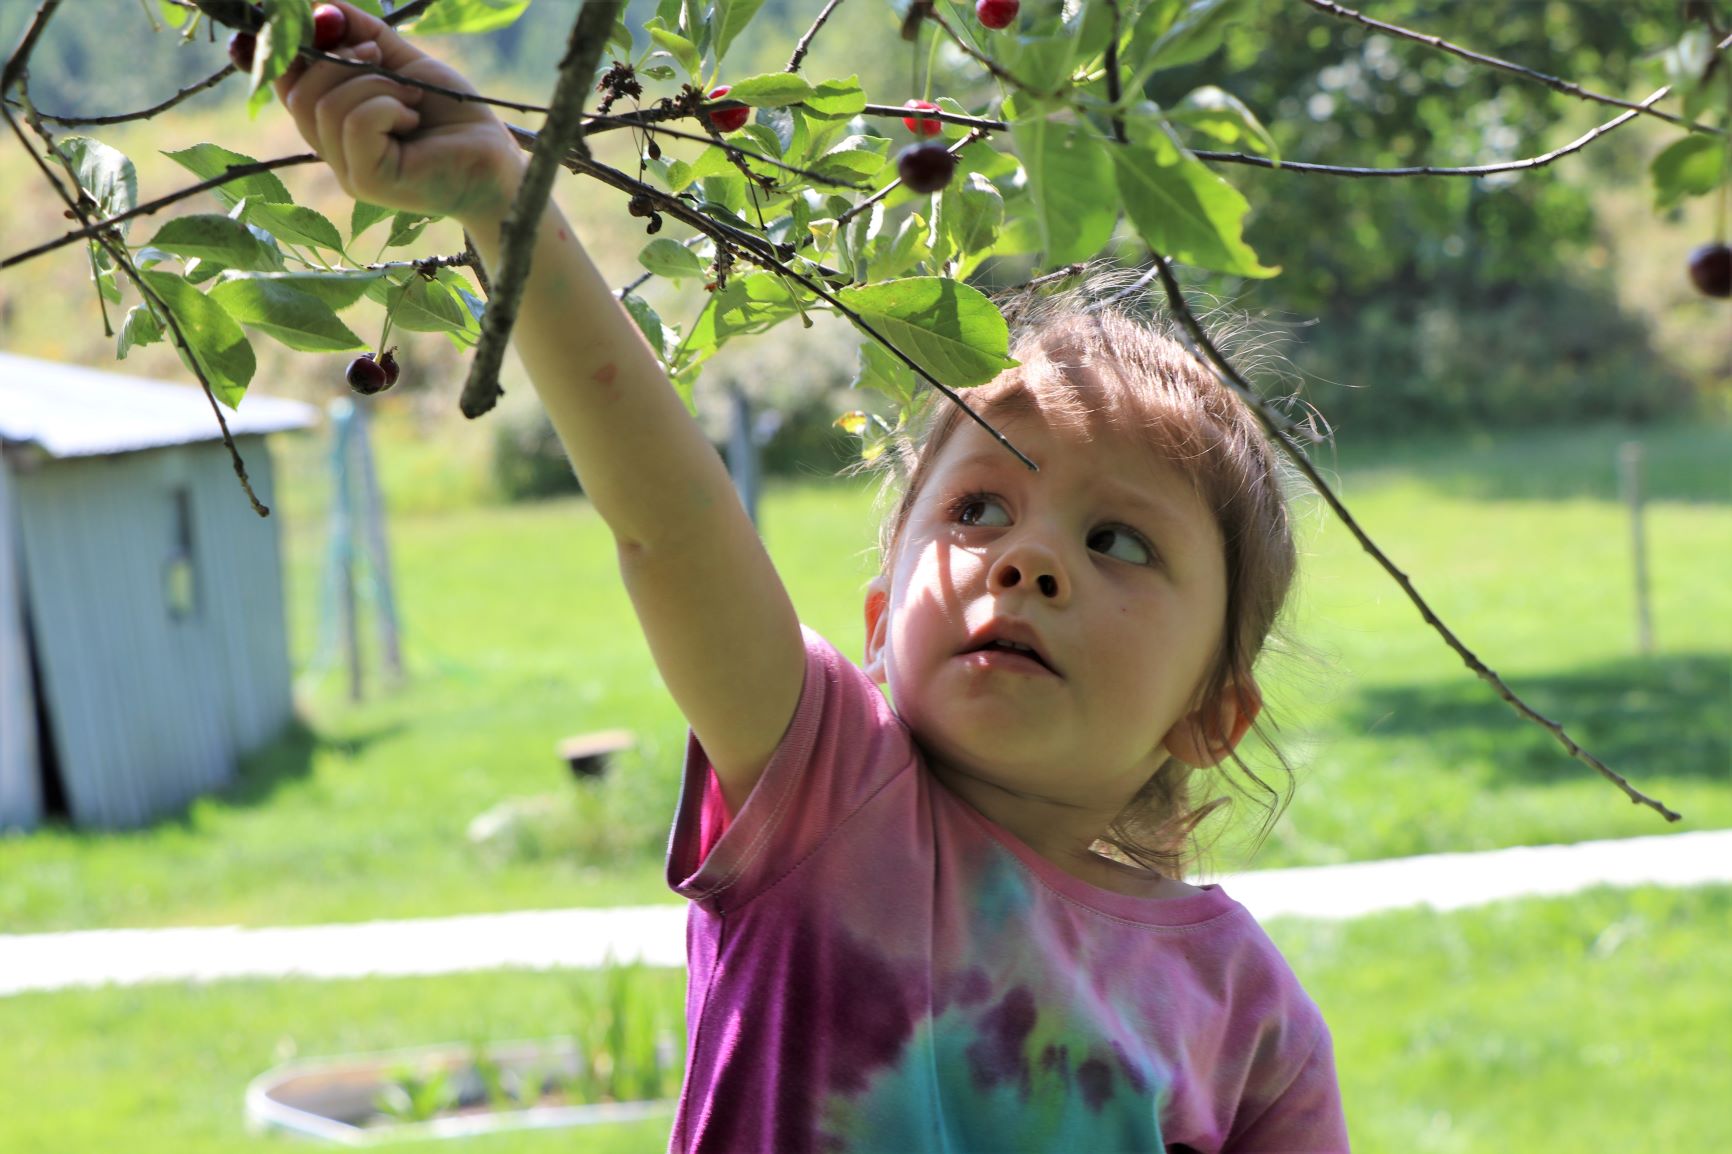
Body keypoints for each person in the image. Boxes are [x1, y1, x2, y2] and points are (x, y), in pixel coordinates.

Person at [278, 5, 1348, 1150]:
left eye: (1119, 540)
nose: (1028, 559)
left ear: (1210, 713)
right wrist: (505, 197)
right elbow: (672, 523)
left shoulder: (1247, 1016)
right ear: (880, 623)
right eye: (978, 508)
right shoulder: (830, 795)